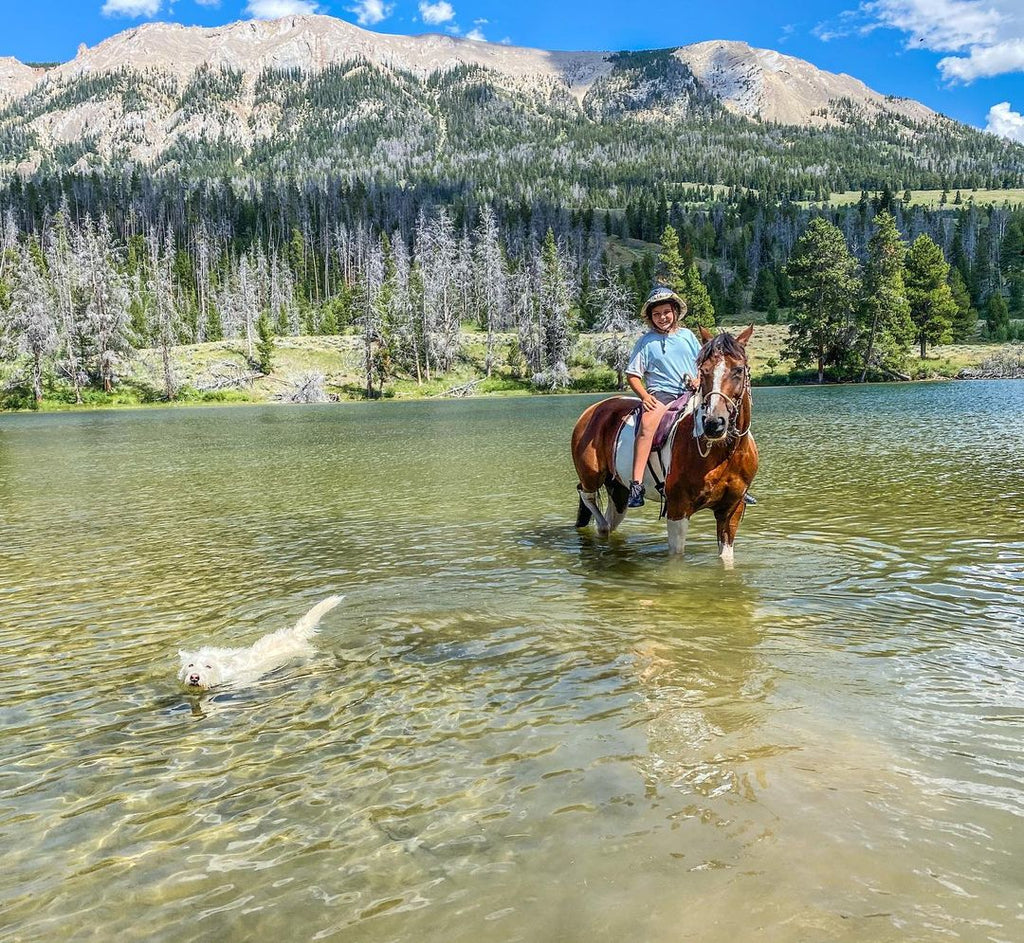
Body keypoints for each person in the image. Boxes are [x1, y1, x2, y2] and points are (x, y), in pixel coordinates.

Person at [624, 286, 700, 508]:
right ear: (650, 318)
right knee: (647, 428)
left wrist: (698, 380)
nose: (662, 318)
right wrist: (645, 396)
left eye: (666, 312)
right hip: (662, 395)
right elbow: (633, 375)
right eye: (656, 314)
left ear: (675, 312)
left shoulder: (687, 336)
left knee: (720, 420)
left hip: (692, 392)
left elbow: (701, 364)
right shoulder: (646, 342)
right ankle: (636, 485)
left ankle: (734, 482)